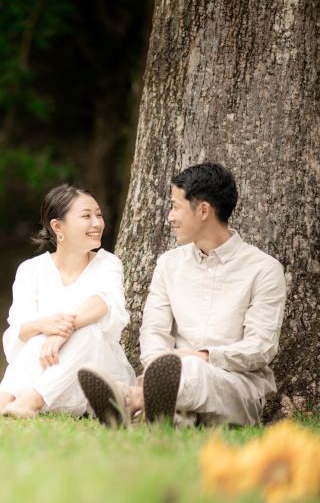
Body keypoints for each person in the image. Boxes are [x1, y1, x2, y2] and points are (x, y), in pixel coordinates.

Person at [78, 163, 287, 428]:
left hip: (238, 388)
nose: (169, 217)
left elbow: (261, 348)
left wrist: (197, 357)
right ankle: (153, 416)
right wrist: (160, 363)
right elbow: (153, 331)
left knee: (193, 369)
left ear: (203, 211)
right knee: (175, 418)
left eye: (175, 207)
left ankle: (128, 397)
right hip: (173, 384)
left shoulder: (264, 269)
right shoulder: (169, 264)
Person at [0, 185, 136, 419]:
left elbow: (105, 301)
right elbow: (20, 330)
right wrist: (45, 325)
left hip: (93, 380)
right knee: (38, 331)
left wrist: (62, 331)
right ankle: (1, 402)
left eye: (99, 215)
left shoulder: (108, 264)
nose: (97, 223)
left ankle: (30, 402)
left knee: (89, 328)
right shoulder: (31, 270)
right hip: (43, 372)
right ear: (57, 226)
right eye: (86, 216)